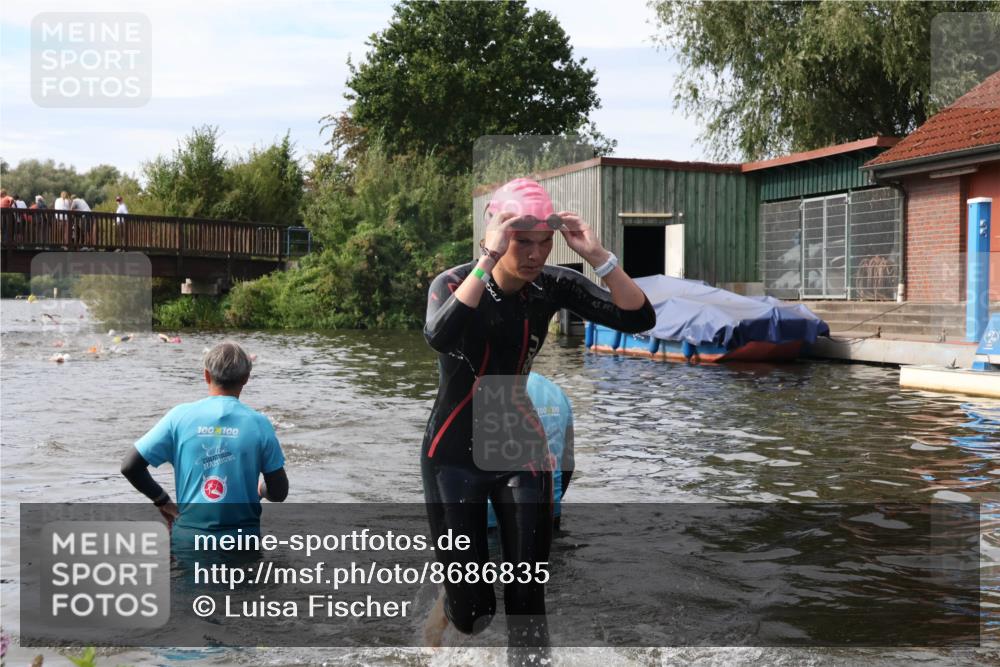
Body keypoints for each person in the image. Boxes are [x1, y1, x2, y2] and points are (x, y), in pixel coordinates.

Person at [421, 177, 655, 660]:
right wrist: (486, 262)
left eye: (543, 242)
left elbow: (639, 319)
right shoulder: (451, 283)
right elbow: (440, 337)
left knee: (528, 599)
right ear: (496, 236)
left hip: (517, 444)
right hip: (451, 457)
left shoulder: (552, 287)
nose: (534, 254)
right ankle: (453, 601)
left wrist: (597, 255)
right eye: (521, 241)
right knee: (475, 615)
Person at [120, 341, 288, 559]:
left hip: (189, 539)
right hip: (241, 542)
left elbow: (130, 466)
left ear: (206, 375)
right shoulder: (259, 424)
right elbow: (279, 492)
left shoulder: (178, 417)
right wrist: (260, 490)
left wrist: (163, 501)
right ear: (246, 378)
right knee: (243, 592)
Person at [486, 372, 574, 532]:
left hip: (493, 518)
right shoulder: (555, 390)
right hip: (549, 510)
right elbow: (568, 464)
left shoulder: (487, 388)